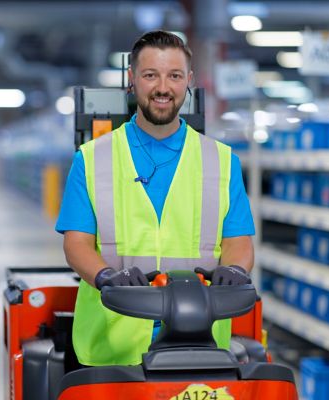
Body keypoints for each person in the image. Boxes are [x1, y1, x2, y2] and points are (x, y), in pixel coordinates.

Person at [55, 30, 255, 367]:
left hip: (199, 343)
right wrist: (105, 277)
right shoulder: (91, 159)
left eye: (174, 76)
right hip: (112, 343)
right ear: (132, 80)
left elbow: (238, 241)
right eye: (150, 75)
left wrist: (235, 269)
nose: (163, 88)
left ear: (188, 81)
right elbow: (77, 245)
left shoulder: (221, 161)